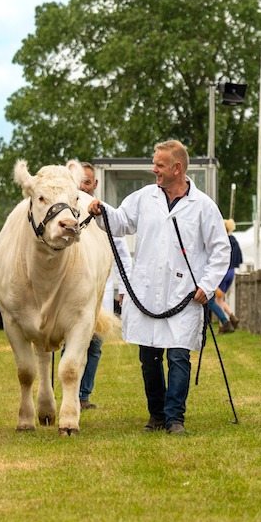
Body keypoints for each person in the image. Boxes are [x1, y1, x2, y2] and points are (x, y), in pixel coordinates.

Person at [88, 140, 230, 435]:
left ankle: (174, 416)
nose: (154, 170)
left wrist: (207, 284)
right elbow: (121, 222)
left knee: (179, 355)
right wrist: (102, 211)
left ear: (177, 168)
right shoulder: (143, 198)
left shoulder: (203, 206)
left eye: (160, 165)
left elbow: (220, 249)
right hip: (147, 292)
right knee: (149, 357)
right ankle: (156, 414)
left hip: (184, 294)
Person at [77, 162, 132, 410]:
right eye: (78, 181)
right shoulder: (66, 213)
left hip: (100, 293)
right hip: (74, 293)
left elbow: (121, 253)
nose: (82, 186)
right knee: (72, 343)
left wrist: (124, 288)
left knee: (95, 345)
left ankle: (83, 394)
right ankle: (71, 392)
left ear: (95, 184)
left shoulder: (104, 212)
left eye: (87, 182)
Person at [211, 218, 243, 333]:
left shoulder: (222, 240)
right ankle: (231, 317)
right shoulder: (234, 240)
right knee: (220, 298)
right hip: (231, 272)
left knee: (215, 300)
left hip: (223, 272)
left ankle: (224, 322)